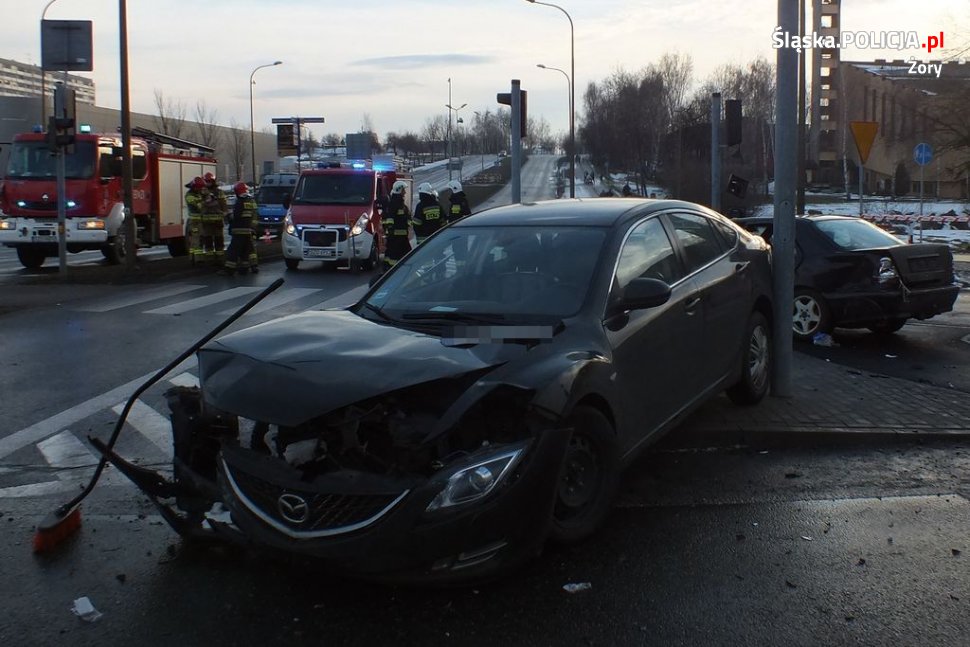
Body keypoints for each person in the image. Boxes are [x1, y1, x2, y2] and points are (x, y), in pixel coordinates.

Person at [221, 182, 257, 276]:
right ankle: (245, 268)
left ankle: (229, 270)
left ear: (237, 191)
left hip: (239, 230)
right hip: (248, 230)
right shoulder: (250, 201)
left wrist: (228, 216)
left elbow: (236, 216)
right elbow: (254, 215)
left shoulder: (240, 202)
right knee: (246, 250)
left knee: (233, 250)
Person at [381, 180, 412, 272]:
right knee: (395, 256)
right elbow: (389, 220)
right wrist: (390, 232)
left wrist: (409, 222)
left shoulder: (402, 205)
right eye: (403, 190)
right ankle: (392, 272)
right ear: (399, 190)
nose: (405, 192)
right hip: (395, 238)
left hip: (402, 238)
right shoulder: (393, 204)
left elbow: (407, 218)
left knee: (407, 255)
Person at [201, 172, 227, 266]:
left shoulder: (219, 192)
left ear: (213, 181)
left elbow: (223, 205)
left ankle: (220, 260)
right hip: (206, 222)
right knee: (208, 242)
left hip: (217, 222)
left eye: (209, 181)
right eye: (206, 181)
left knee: (219, 241)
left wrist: (224, 214)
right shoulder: (202, 192)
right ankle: (210, 260)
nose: (208, 183)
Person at [184, 176, 206, 265]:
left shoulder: (198, 194)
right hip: (194, 222)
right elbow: (200, 206)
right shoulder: (189, 196)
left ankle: (193, 258)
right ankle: (198, 259)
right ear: (194, 187)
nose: (200, 190)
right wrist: (207, 200)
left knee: (195, 240)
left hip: (198, 221)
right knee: (197, 240)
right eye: (199, 188)